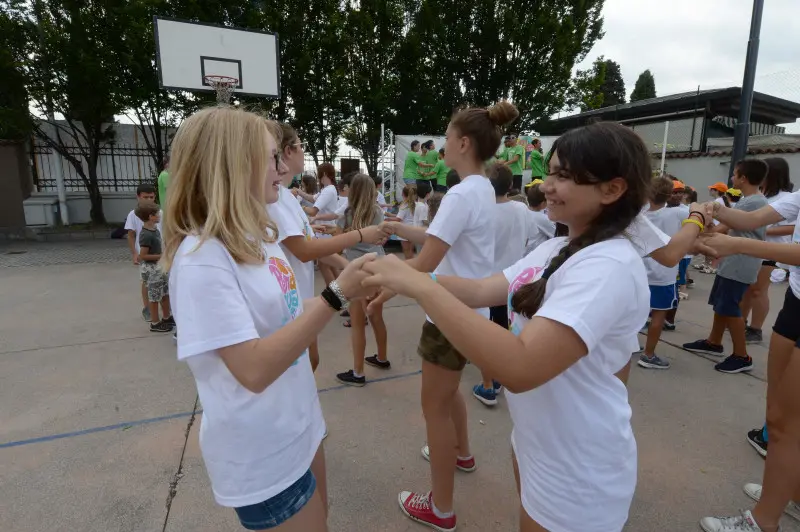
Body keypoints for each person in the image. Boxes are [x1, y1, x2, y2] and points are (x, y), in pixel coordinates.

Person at [360, 121, 712, 532]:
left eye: (563, 176)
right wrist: (398, 275)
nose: (546, 184)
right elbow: (480, 289)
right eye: (551, 172)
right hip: (539, 441)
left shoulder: (608, 266)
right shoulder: (558, 247)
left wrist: (419, 284)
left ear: (611, 190)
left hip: (577, 463)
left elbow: (522, 367)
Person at [163, 106, 375, 532]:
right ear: (233, 165)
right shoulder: (203, 259)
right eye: (272, 157)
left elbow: (287, 323)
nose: (282, 168)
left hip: (299, 422)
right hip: (262, 449)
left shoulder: (256, 234)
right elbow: (254, 369)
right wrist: (338, 294)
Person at [372, 100, 517, 532]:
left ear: (464, 142)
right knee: (448, 389)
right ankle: (463, 454)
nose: (442, 145)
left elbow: (423, 265)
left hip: (447, 312)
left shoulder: (458, 193)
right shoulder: (481, 188)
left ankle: (441, 507)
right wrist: (399, 228)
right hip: (466, 310)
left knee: (432, 407)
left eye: (447, 138)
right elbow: (440, 238)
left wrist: (378, 288)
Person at [696, 189, 800, 531]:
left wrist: (738, 245)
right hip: (796, 303)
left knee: (790, 426)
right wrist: (715, 210)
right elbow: (753, 220)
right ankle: (790, 494)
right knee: (776, 417)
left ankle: (763, 522)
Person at [267, 123, 386, 372]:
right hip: (289, 304)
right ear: (288, 151)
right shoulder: (275, 200)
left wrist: (351, 267)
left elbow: (314, 246)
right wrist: (361, 235)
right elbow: (305, 250)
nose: (303, 151)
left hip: (300, 298)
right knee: (303, 365)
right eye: (300, 146)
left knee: (311, 361)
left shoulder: (286, 197)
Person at [683, 159, 769, 374]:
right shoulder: (749, 200)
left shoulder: (753, 203)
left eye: (735, 174)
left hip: (740, 262)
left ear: (744, 178)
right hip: (733, 261)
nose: (732, 178)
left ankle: (742, 355)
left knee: (730, 307)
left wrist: (698, 231)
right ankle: (714, 341)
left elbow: (725, 226)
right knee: (721, 304)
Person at [472, 163, 529, 407]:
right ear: (511, 185)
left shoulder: (483, 211)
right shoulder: (522, 208)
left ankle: (489, 384)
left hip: (488, 281)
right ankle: (506, 374)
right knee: (509, 330)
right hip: (517, 279)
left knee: (488, 332)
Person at [331, 173, 390, 386]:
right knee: (376, 317)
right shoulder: (377, 213)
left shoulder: (346, 215)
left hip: (355, 271)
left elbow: (337, 243)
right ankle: (382, 358)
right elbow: (383, 238)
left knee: (357, 324)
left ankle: (358, 372)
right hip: (377, 268)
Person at [741, 157, 796, 345]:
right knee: (746, 288)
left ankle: (755, 329)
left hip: (770, 251)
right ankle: (740, 321)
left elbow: (791, 228)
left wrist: (763, 229)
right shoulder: (760, 195)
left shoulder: (786, 198)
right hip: (751, 248)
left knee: (758, 290)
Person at [638, 177, 690, 370]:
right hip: (664, 274)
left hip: (640, 271)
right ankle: (649, 354)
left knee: (635, 312)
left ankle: (630, 345)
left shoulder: (639, 213)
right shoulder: (679, 213)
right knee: (659, 315)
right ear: (669, 195)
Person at [296, 163, 340, 284]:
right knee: (330, 264)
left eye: (318, 173)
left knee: (324, 264)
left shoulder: (328, 191)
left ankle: (334, 296)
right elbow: (313, 198)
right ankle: (342, 293)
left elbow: (313, 211)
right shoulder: (328, 189)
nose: (317, 176)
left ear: (324, 174)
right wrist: (299, 192)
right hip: (326, 230)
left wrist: (299, 206)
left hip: (324, 231)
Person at [135, 201, 174, 333]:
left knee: (164, 293)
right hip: (152, 270)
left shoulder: (154, 229)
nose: (159, 216)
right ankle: (155, 322)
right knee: (154, 297)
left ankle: (166, 317)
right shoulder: (146, 234)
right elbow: (143, 256)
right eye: (157, 214)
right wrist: (162, 256)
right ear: (151, 217)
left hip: (159, 268)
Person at [125, 183, 159, 322]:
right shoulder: (133, 215)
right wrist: (134, 253)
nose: (149, 200)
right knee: (146, 282)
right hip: (145, 255)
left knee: (162, 281)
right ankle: (148, 309)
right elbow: (131, 235)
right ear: (138, 197)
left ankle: (164, 309)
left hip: (160, 253)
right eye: (145, 197)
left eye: (151, 197)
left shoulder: (158, 213)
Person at [524, 181, 555, 256]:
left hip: (524, 252)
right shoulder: (542, 219)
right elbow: (556, 234)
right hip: (535, 254)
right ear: (543, 204)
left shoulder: (524, 211)